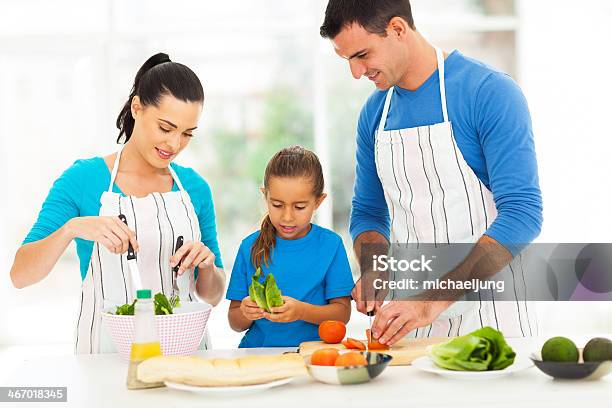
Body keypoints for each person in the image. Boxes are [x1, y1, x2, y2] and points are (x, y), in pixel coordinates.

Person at [320, 0, 543, 344]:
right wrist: (374, 267)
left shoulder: (488, 92)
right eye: (347, 60)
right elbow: (368, 213)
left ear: (398, 29)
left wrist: (429, 303)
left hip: (495, 320)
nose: (356, 72)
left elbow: (522, 215)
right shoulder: (374, 115)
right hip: (410, 326)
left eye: (362, 55)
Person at [10, 53, 226, 353]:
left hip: (185, 355)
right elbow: (20, 275)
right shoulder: (83, 179)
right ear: (137, 108)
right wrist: (71, 229)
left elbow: (212, 295)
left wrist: (208, 265)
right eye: (165, 128)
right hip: (106, 356)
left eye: (187, 133)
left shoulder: (195, 188)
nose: (174, 144)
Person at [226, 146, 354, 347]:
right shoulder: (249, 247)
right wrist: (245, 311)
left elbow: (342, 313)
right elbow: (235, 322)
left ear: (318, 201)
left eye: (299, 207)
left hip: (312, 355)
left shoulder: (331, 245)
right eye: (277, 205)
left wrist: (302, 311)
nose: (287, 217)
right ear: (265, 196)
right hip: (257, 354)